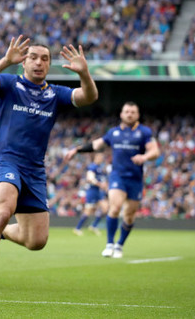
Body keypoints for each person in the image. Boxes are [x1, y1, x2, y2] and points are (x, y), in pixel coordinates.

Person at [0, 36, 99, 290]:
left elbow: (88, 97)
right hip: (6, 161)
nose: (39, 63)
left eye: (45, 58)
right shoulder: (10, 84)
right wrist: (5, 61)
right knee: (4, 209)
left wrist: (85, 73)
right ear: (24, 62)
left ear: (49, 64)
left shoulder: (55, 93)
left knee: (36, 241)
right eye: (33, 57)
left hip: (35, 170)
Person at [65, 102, 160, 258]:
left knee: (129, 216)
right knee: (114, 208)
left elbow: (154, 151)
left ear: (137, 115)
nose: (129, 114)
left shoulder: (144, 132)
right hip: (118, 176)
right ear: (121, 114)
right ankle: (109, 244)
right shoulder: (113, 133)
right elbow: (96, 144)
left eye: (133, 112)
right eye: (127, 111)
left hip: (135, 179)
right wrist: (77, 149)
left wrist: (144, 156)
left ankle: (119, 245)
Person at [73, 152, 108, 236]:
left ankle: (93, 226)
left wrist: (104, 185)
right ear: (96, 157)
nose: (102, 159)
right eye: (100, 157)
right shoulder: (92, 167)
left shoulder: (100, 168)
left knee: (105, 209)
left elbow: (101, 180)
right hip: (92, 191)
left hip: (99, 192)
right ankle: (77, 228)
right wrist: (100, 184)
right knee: (88, 211)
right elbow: (90, 179)